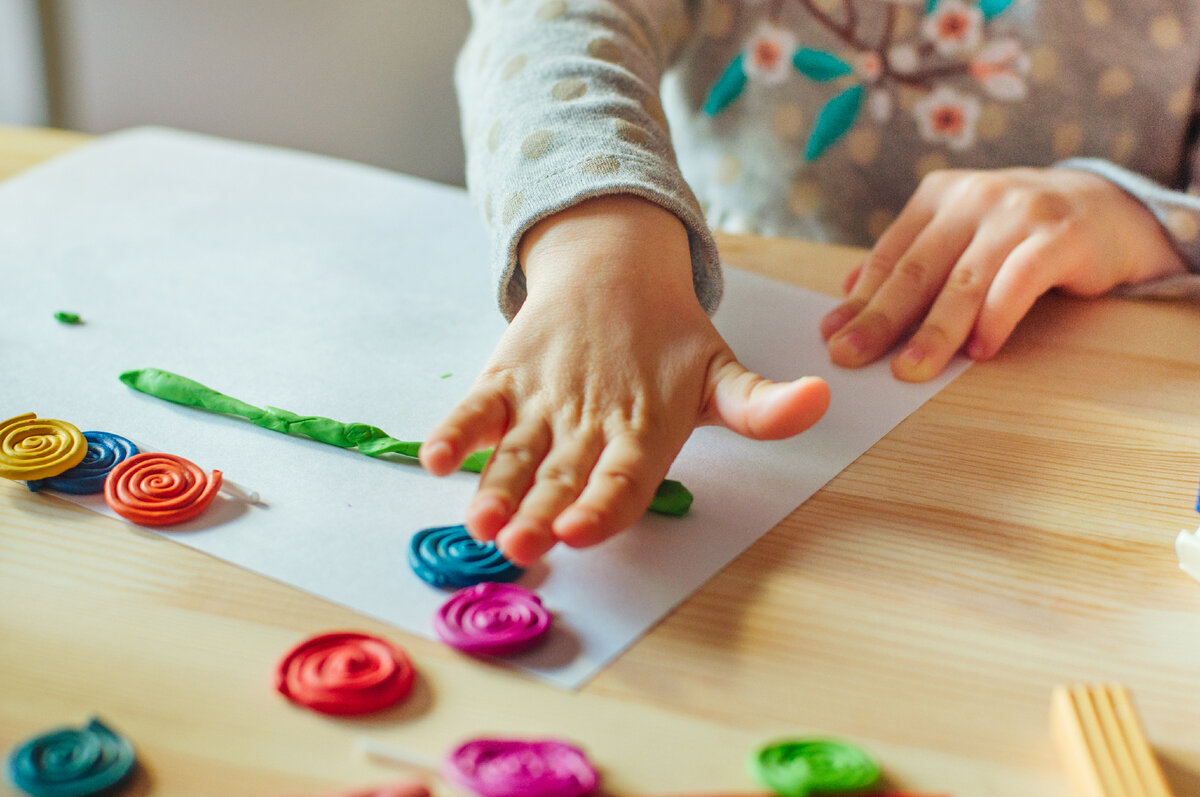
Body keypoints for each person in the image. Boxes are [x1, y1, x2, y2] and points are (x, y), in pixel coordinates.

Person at [420, 0, 1200, 565]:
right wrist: (598, 241)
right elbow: (548, 24)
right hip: (749, 403)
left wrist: (1142, 217)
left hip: (1088, 422)